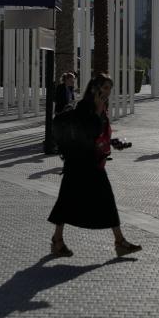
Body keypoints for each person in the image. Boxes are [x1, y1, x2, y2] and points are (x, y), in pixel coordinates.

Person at [48, 75, 141, 259]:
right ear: (95, 89)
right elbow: (91, 131)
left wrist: (113, 143)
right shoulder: (84, 108)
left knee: (97, 199)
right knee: (69, 200)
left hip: (92, 162)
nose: (108, 92)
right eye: (105, 88)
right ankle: (118, 242)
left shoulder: (101, 108)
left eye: (110, 88)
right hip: (80, 163)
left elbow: (99, 136)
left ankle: (118, 241)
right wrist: (98, 111)